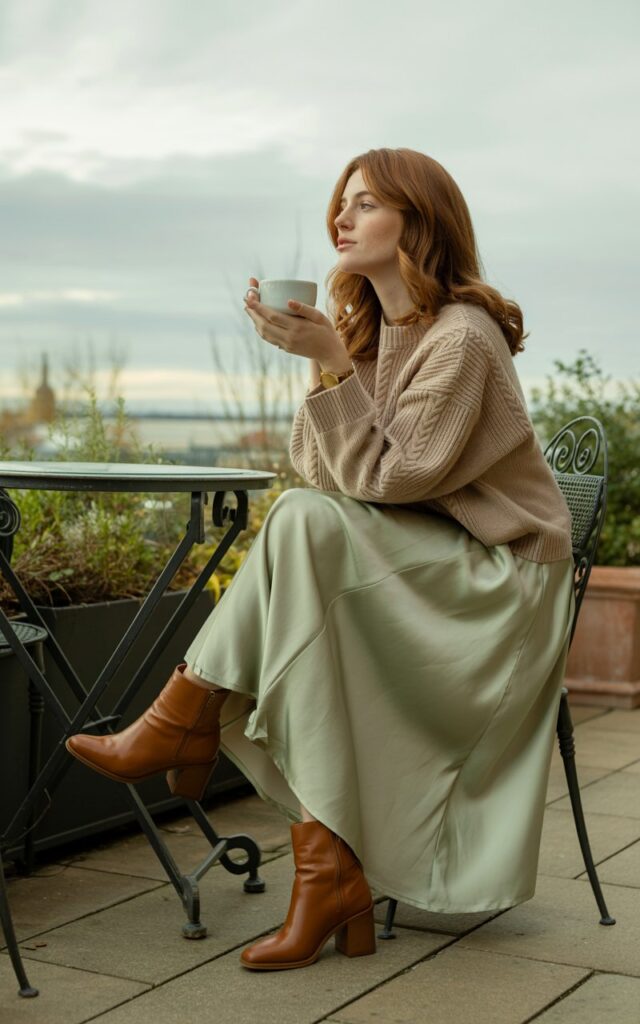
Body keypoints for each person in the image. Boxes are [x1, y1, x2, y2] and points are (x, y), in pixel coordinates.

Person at [66, 146, 575, 972]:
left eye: (366, 204)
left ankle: (183, 720)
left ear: (420, 221)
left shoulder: (463, 337)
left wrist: (333, 366)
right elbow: (322, 469)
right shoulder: (376, 332)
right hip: (428, 558)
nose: (341, 217)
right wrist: (329, 363)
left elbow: (395, 478)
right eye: (341, 202)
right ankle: (323, 871)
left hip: (501, 583)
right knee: (304, 533)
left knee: (304, 532)